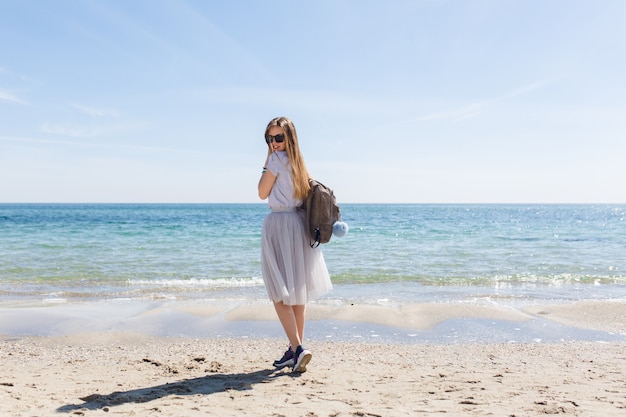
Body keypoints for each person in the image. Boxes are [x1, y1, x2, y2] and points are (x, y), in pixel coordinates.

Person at [258, 116, 333, 373]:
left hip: (280, 224)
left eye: (279, 137)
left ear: (289, 137)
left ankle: (298, 349)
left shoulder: (275, 160)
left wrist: (267, 163)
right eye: (270, 138)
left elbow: (261, 191)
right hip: (299, 226)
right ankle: (295, 351)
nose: (274, 142)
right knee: (297, 293)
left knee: (278, 292)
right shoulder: (300, 164)